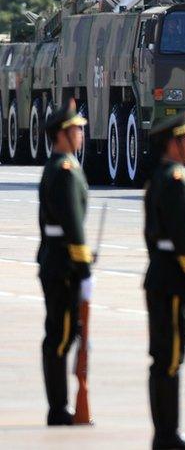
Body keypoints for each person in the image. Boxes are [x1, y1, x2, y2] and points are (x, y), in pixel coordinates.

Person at [143, 108, 185, 449]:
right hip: (174, 282)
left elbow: (151, 236)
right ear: (173, 144)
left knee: (164, 360)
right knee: (169, 361)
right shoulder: (175, 182)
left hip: (162, 274)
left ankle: (165, 432)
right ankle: (167, 435)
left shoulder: (159, 178)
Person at [37, 98, 92, 426]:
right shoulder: (66, 171)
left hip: (55, 261)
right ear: (62, 134)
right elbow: (73, 225)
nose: (81, 135)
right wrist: (83, 266)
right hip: (64, 266)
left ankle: (59, 405)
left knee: (59, 334)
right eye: (76, 130)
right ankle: (58, 408)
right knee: (61, 336)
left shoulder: (57, 166)